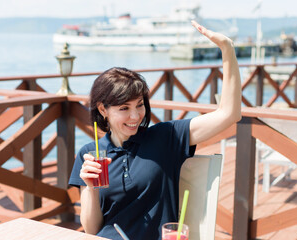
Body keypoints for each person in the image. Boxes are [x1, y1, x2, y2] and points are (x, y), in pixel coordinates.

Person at [68, 20, 241, 240]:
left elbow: (229, 113)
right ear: (103, 109)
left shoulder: (165, 137)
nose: (135, 116)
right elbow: (92, 230)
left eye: (139, 105)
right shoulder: (90, 154)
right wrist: (91, 188)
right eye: (124, 108)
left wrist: (227, 50)